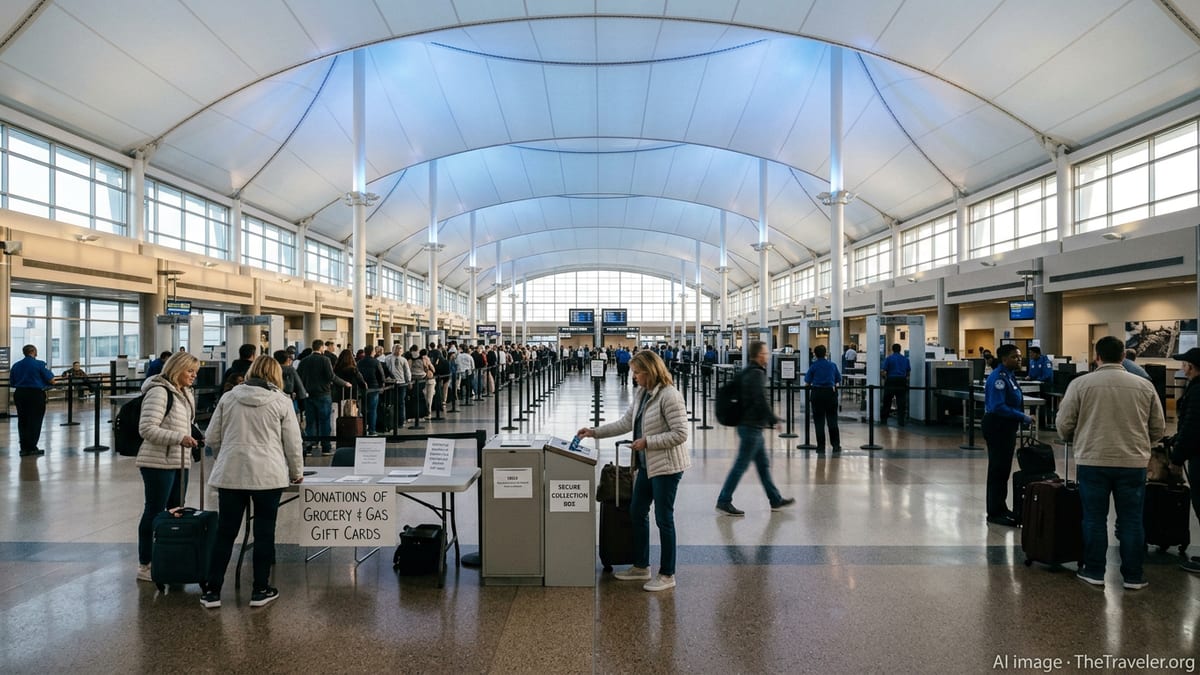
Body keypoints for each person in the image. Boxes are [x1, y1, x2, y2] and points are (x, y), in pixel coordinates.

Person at [1056, 336, 1164, 589]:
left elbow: (1064, 424)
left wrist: (1074, 436)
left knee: (1094, 517)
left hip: (1093, 459)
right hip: (1133, 462)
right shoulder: (1144, 385)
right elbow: (1157, 428)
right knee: (1131, 519)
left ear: (1097, 357)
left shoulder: (1080, 384)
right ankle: (1133, 576)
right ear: (1123, 357)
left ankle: (1094, 571)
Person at [577, 350, 690, 591]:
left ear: (650, 371)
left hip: (666, 467)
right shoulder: (642, 394)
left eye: (637, 372)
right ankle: (641, 566)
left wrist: (648, 442)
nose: (635, 377)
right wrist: (594, 432)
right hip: (646, 465)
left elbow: (681, 433)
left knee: (664, 519)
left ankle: (668, 574)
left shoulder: (670, 396)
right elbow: (625, 423)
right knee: (637, 511)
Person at [201, 355, 304, 609]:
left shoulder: (229, 398)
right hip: (268, 474)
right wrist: (296, 470)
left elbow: (212, 436)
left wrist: (226, 453)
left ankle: (212, 591)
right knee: (264, 532)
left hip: (231, 473)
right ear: (276, 375)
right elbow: (292, 441)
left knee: (225, 532)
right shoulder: (281, 401)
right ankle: (260, 589)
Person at [134, 351, 201, 582]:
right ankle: (146, 563)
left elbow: (186, 424)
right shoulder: (159, 392)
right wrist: (178, 437)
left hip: (180, 459)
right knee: (154, 511)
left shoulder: (185, 393)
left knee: (176, 511)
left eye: (195, 372)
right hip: (157, 461)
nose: (193, 376)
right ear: (176, 369)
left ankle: (168, 557)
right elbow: (147, 429)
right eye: (190, 371)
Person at [716, 341, 796, 516]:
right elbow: (760, 399)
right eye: (765, 353)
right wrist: (773, 419)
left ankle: (775, 499)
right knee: (741, 465)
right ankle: (724, 500)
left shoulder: (747, 372)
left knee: (763, 465)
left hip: (751, 426)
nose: (767, 356)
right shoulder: (756, 374)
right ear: (759, 355)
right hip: (751, 426)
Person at [981, 343, 1033, 527]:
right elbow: (998, 406)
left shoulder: (1010, 376)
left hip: (1006, 426)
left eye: (1019, 356)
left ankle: (1001, 507)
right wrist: (1022, 417)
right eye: (1014, 356)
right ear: (1004, 359)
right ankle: (995, 512)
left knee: (1003, 470)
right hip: (998, 425)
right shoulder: (999, 378)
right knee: (998, 469)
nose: (1019, 359)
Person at [1168, 347, 1200, 574]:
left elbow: (1192, 426)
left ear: (1191, 366)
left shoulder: (1197, 390)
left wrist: (1177, 457)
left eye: (1184, 364)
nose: (1182, 368)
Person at [296, 339, 351, 455]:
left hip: (308, 395)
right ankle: (326, 447)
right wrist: (344, 383)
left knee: (310, 422)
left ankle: (309, 446)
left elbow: (298, 377)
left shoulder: (304, 361)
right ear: (321, 348)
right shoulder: (325, 360)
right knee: (324, 421)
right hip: (323, 395)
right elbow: (331, 376)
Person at [10, 344, 56, 457]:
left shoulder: (16, 365)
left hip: (20, 394)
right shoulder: (39, 364)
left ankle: (24, 447)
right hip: (35, 395)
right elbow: (52, 380)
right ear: (34, 352)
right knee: (35, 420)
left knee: (23, 420)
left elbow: (12, 382)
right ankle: (32, 447)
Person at [803, 344, 842, 455]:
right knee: (832, 420)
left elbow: (807, 382)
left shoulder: (813, 366)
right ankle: (836, 445)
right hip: (830, 393)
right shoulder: (832, 365)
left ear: (815, 354)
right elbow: (838, 379)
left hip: (817, 394)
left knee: (819, 421)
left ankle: (821, 447)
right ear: (825, 353)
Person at [357, 345, 386, 435]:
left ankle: (364, 428)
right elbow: (381, 375)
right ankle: (372, 429)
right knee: (373, 409)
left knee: (363, 409)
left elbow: (357, 374)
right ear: (372, 352)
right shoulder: (376, 362)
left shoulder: (359, 362)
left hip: (363, 387)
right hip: (374, 387)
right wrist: (382, 385)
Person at [879, 343, 911, 426]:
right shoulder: (905, 359)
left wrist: (885, 378)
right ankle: (901, 421)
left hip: (891, 380)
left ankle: (884, 419)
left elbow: (883, 371)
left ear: (892, 349)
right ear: (900, 349)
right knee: (901, 401)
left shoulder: (889, 358)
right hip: (901, 380)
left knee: (887, 400)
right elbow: (908, 372)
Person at [1025, 346, 1054, 427]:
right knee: (1031, 401)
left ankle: (1042, 423)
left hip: (1045, 386)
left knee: (1043, 404)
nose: (1030, 355)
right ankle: (1032, 419)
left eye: (1032, 353)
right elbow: (1031, 373)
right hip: (1034, 386)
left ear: (1037, 353)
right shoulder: (1032, 361)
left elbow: (1047, 375)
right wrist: (1029, 377)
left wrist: (1037, 379)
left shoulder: (1046, 361)